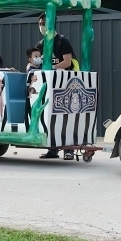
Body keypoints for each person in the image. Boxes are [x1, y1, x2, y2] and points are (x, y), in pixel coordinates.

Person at [35, 14, 76, 159]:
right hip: (48, 83)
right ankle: (52, 149)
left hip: (65, 83)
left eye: (44, 23)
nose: (42, 26)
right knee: (49, 115)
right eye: (40, 23)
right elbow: (37, 62)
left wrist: (51, 68)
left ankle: (69, 149)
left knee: (65, 115)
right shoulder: (40, 44)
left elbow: (67, 62)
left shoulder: (62, 41)